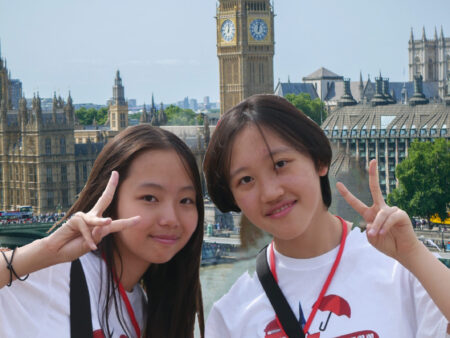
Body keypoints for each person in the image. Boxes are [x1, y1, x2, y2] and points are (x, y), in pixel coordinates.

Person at [203, 94, 449, 337]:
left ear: (319, 161)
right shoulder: (230, 317)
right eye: (246, 180)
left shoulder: (401, 270)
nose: (270, 192)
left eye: (280, 164)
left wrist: (413, 254)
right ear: (234, 197)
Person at [0, 124, 205, 338]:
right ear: (110, 198)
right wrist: (45, 251)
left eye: (185, 200)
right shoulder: (52, 275)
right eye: (150, 198)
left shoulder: (150, 312)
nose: (170, 219)